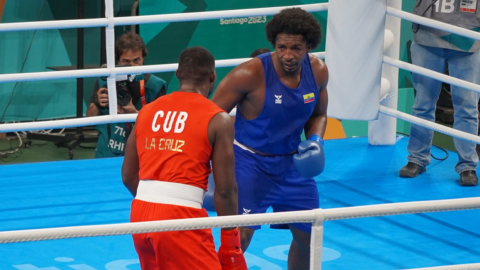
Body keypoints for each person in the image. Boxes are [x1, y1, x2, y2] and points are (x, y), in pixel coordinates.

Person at [211, 7, 328, 270]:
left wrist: (316, 140)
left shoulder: (318, 71)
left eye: (296, 48)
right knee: (238, 238)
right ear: (273, 44)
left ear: (309, 46)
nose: (288, 55)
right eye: (281, 47)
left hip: (293, 166)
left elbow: (319, 114)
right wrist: (211, 168)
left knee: (309, 235)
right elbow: (209, 119)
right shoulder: (249, 74)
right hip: (249, 164)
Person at [121, 46, 247, 270]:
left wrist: (155, 202)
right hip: (180, 218)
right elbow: (226, 190)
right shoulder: (217, 119)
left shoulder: (147, 111)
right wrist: (231, 241)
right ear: (212, 76)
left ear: (178, 74)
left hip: (140, 213)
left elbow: (129, 176)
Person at [399, 0, 480, 186]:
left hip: (469, 37)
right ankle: (417, 158)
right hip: (428, 34)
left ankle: (467, 166)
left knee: (466, 107)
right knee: (423, 104)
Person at [86, 32, 167, 158]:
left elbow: (160, 130)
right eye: (126, 61)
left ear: (143, 58)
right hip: (106, 154)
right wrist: (97, 103)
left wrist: (135, 114)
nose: (132, 66)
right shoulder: (104, 79)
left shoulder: (155, 86)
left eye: (136, 60)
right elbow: (90, 120)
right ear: (118, 60)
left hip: (141, 155)